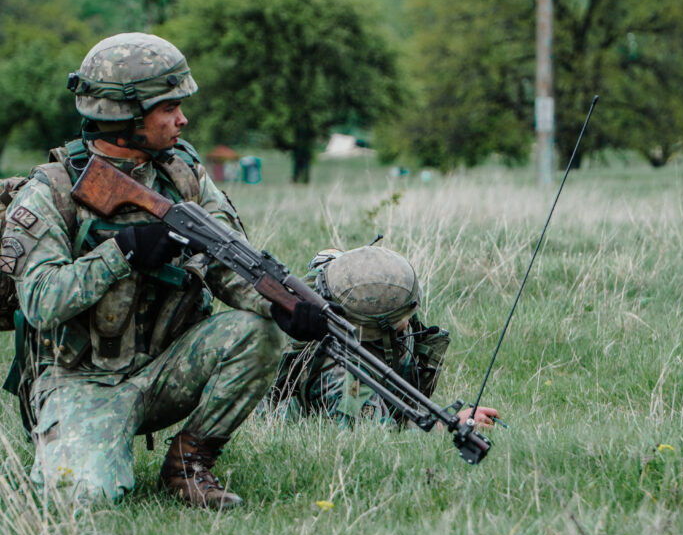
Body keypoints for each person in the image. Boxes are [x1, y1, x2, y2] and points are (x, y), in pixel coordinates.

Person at [0, 33, 326, 509]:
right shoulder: (50, 192)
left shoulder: (184, 175)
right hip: (81, 380)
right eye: (168, 107)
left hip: (165, 368)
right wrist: (123, 252)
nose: (182, 118)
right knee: (79, 500)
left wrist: (280, 305)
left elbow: (229, 262)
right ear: (125, 115)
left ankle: (188, 464)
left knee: (258, 333)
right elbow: (41, 301)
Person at [263, 245, 500, 429]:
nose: (408, 322)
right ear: (374, 328)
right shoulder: (341, 377)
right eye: (399, 320)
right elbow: (377, 435)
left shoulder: (348, 299)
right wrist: (445, 424)